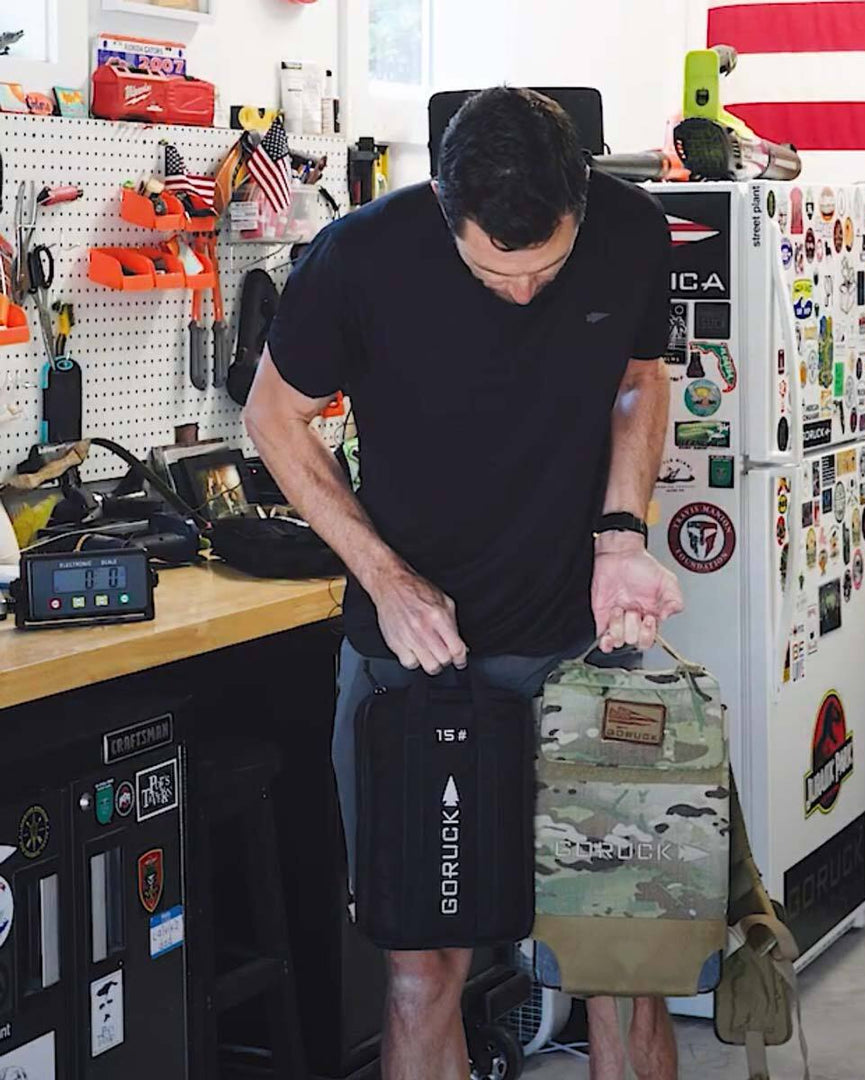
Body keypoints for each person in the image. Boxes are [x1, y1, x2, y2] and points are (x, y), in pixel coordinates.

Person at [245, 86, 684, 1080]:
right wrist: (388, 579)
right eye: (496, 274)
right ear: (445, 211)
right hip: (414, 673)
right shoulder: (358, 255)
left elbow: (640, 377)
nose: (525, 295)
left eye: (547, 269)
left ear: (582, 202)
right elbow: (274, 418)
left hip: (586, 654)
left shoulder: (633, 231)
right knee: (423, 972)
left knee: (623, 962)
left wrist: (622, 535)